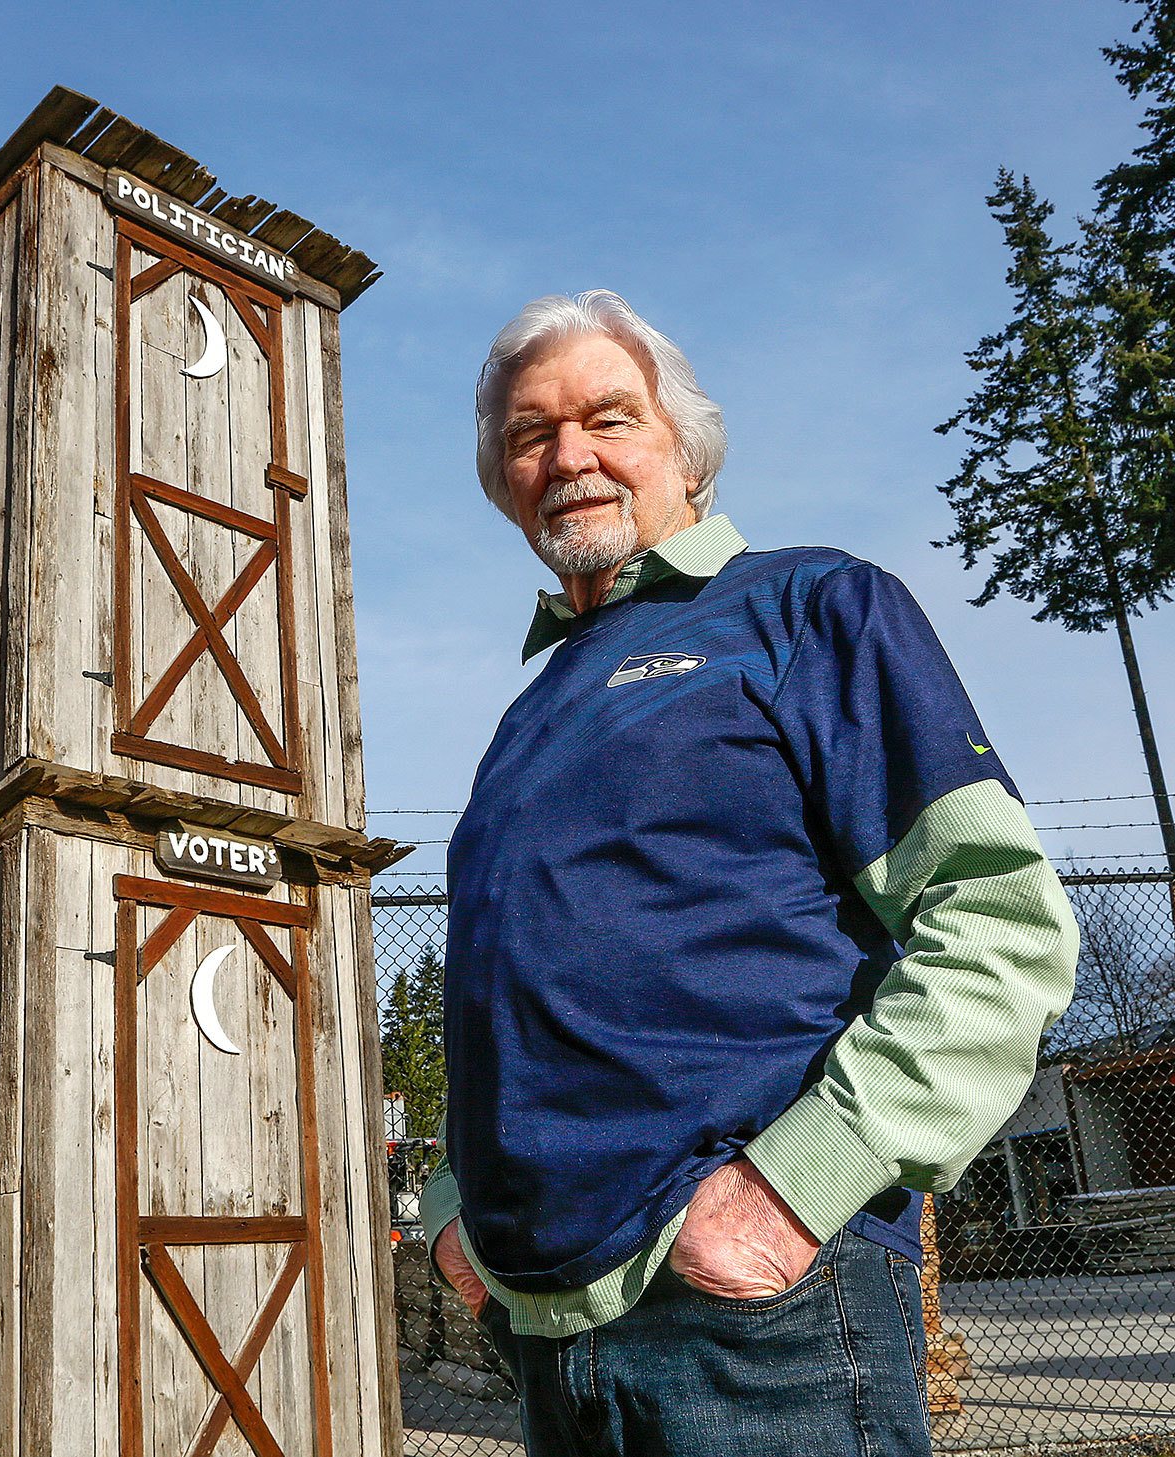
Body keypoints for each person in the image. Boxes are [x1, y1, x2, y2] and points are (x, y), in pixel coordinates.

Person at [417, 291, 1079, 1457]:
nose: (567, 454)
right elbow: (504, 974)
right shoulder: (532, 707)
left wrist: (790, 1189)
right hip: (546, 1327)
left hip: (752, 1316)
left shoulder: (808, 606)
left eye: (606, 417)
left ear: (686, 446)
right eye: (529, 434)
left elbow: (997, 918)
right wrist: (451, 1213)